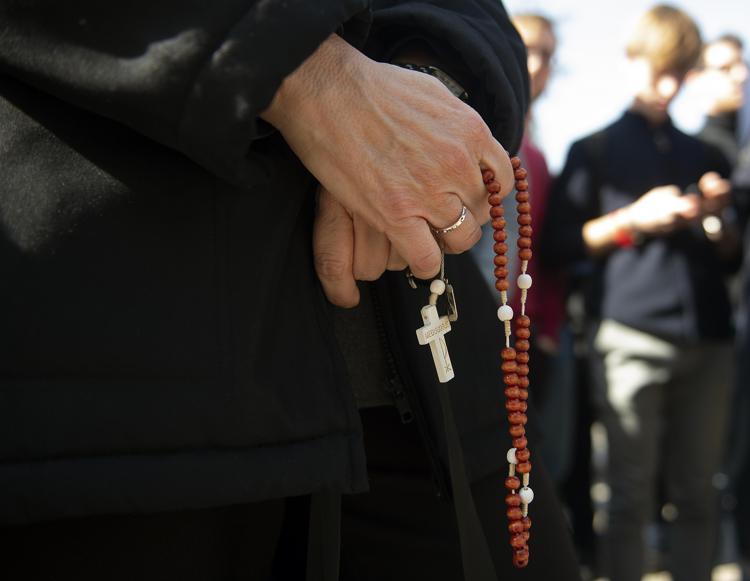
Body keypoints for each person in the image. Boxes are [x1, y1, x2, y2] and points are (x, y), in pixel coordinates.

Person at [0, 1, 580, 580]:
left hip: (423, 369)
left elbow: (468, 13)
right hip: (126, 373)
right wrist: (306, 73)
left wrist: (428, 91)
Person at [544, 5, 736, 581]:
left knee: (700, 492)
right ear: (632, 63)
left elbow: (732, 255)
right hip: (629, 333)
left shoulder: (704, 154)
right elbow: (557, 246)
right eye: (660, 70)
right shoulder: (592, 150)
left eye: (680, 72)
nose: (668, 86)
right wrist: (634, 219)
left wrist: (717, 222)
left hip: (707, 336)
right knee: (628, 496)